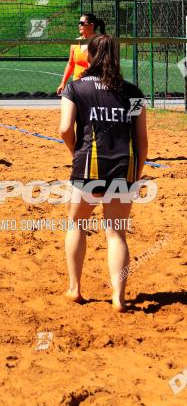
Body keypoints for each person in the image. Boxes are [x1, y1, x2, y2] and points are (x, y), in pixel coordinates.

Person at [59, 34, 148, 313]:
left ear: (92, 56)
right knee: (117, 233)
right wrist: (138, 171)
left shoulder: (75, 88)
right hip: (124, 166)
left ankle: (75, 288)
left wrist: (76, 154)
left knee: (77, 225)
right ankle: (118, 297)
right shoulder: (132, 91)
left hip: (89, 165)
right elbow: (142, 139)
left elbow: (64, 129)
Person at [57, 13, 106, 95]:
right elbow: (71, 64)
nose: (79, 25)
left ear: (91, 26)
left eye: (82, 23)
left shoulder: (100, 42)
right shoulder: (75, 42)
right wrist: (63, 83)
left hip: (93, 84)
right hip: (77, 84)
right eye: (79, 23)